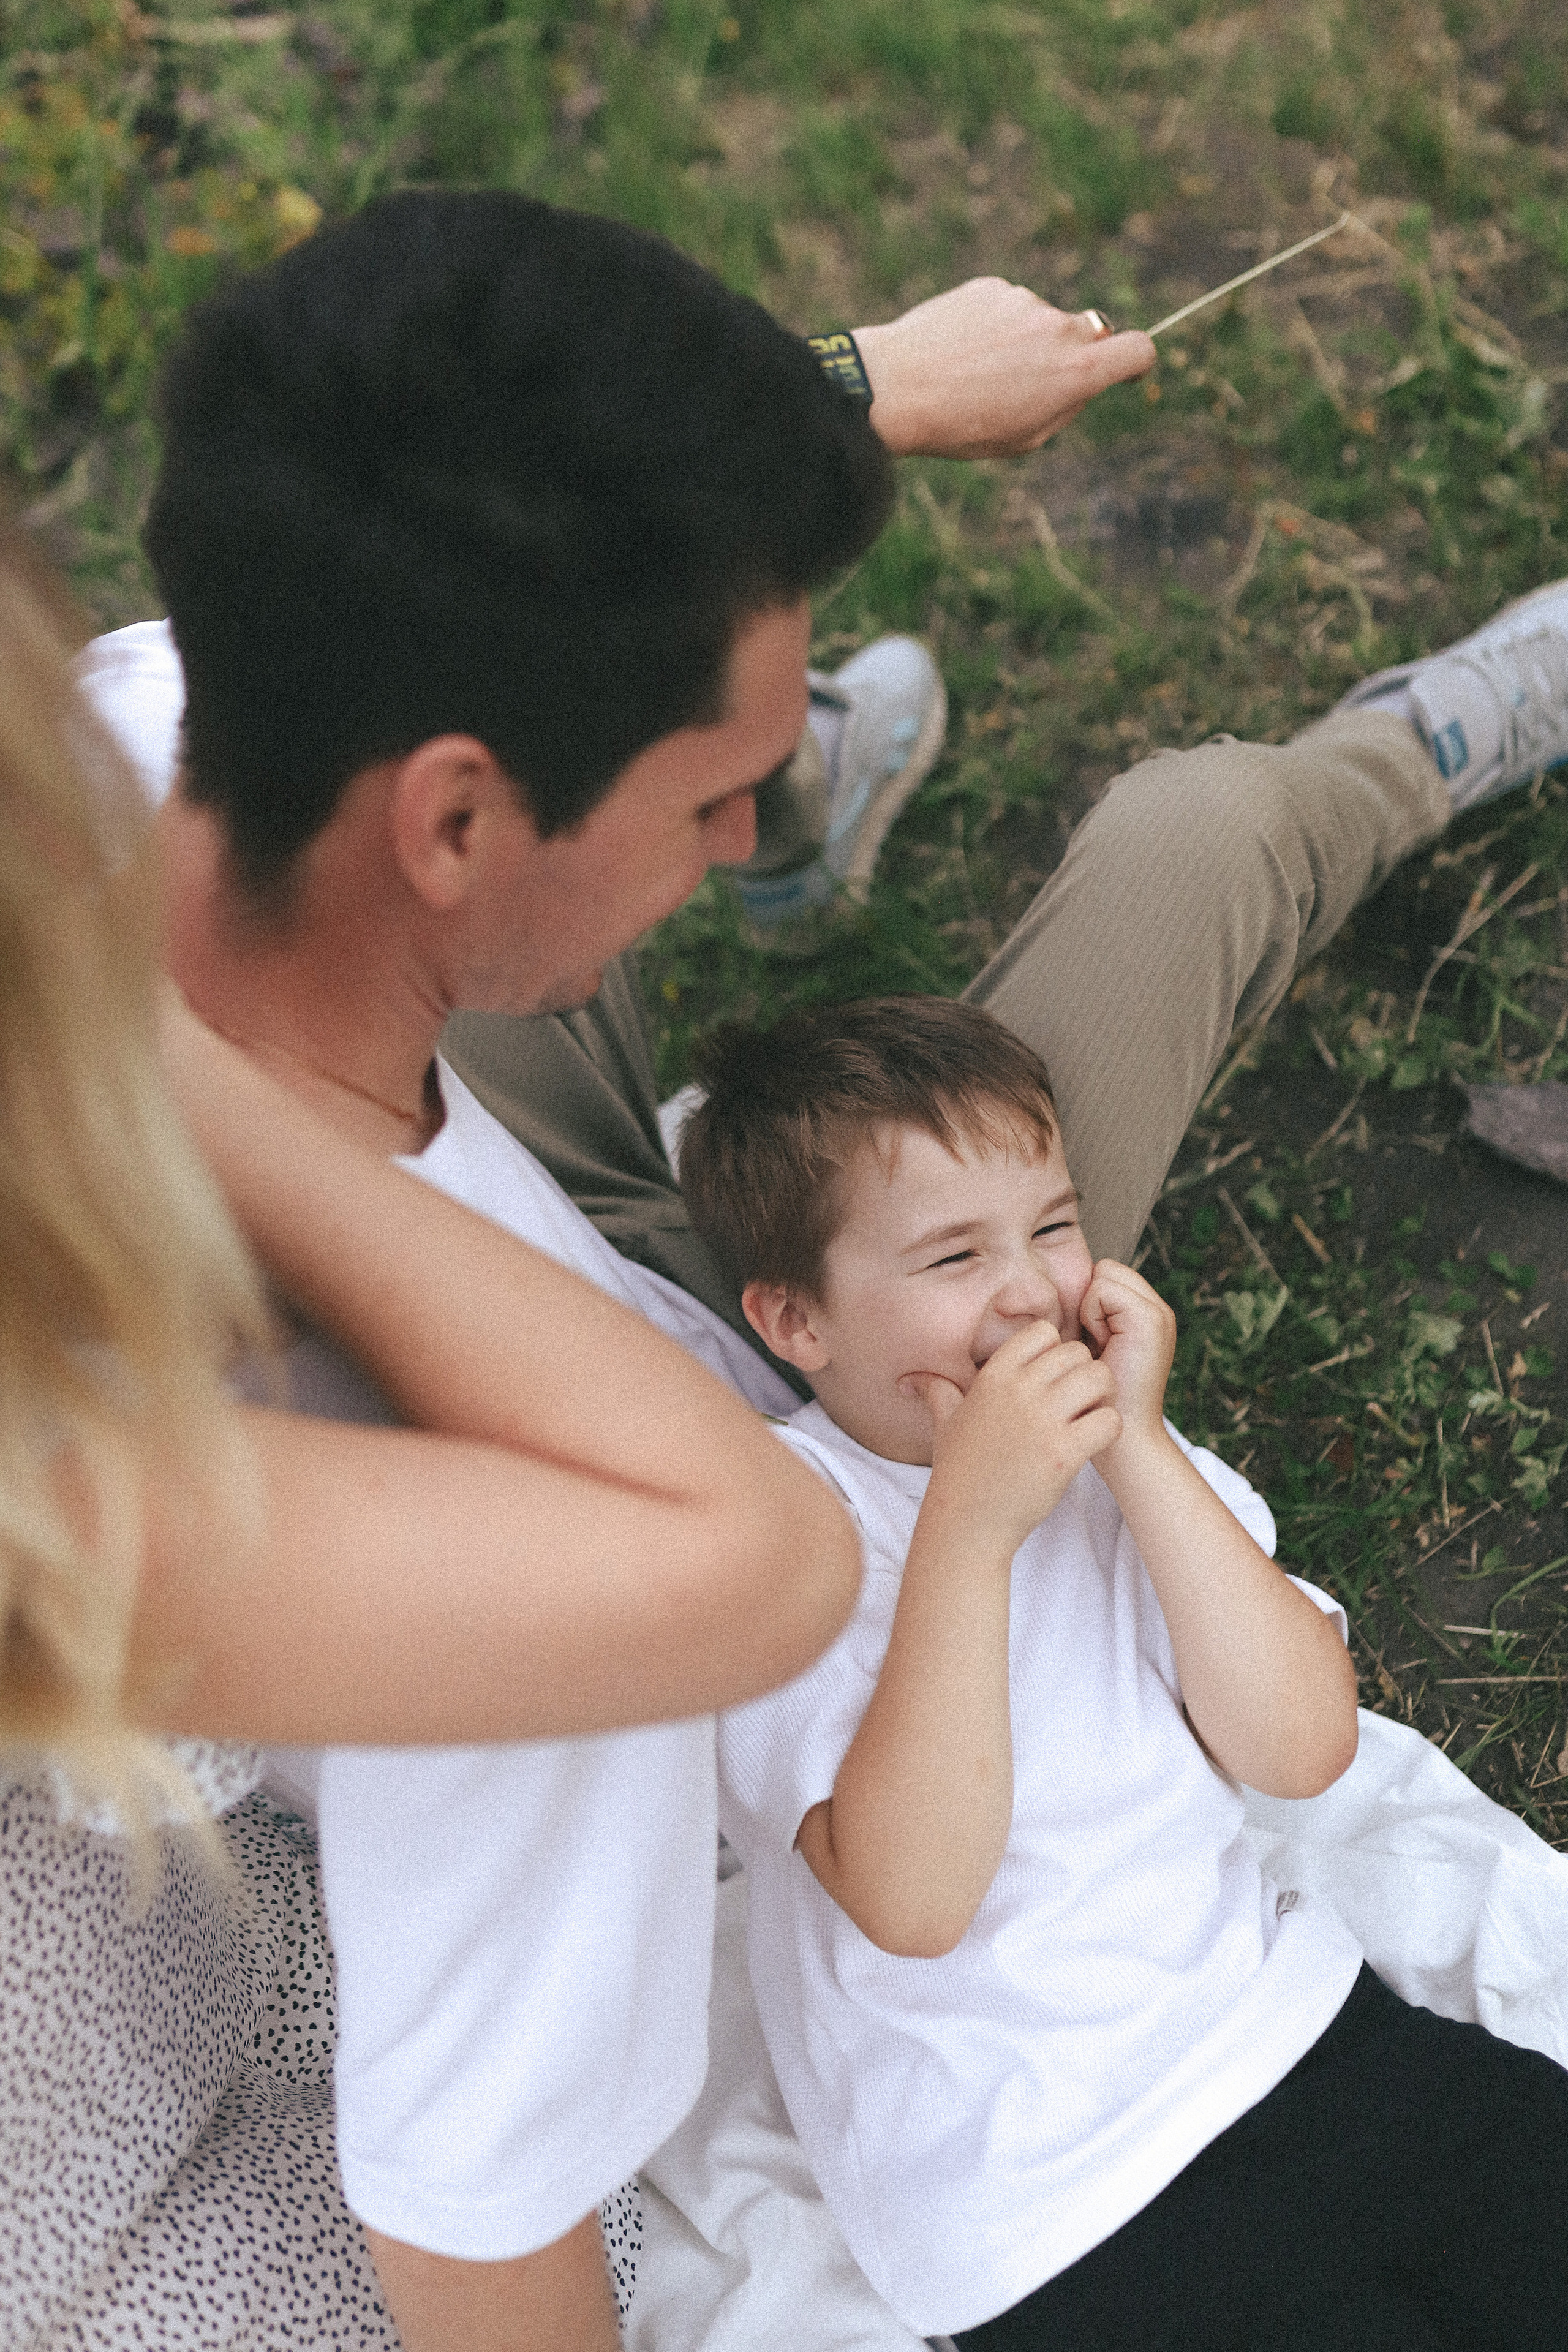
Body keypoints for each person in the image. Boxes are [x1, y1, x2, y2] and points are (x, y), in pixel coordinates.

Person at [80, 175, 1568, 2348]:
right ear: (462, 817)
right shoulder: (525, 1606)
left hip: (590, 1150)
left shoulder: (158, 738)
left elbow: (369, 514)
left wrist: (866, 388)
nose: (728, 847)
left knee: (1205, 829)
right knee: (1177, 850)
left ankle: (1415, 734)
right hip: (836, 1328)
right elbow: (485, 2241)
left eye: (757, 779)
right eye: (720, 802)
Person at [0, 541, 862, 2351]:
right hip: (99, 2188)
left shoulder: (165, 748)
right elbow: (740, 1558)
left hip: (195, 1936)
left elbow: (359, 535)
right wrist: (161, 1074)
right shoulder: (72, 1465)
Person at [681, 993, 1568, 2351]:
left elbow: (1300, 1751)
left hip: (1288, 2043)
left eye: (1049, 1226)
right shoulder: (783, 1537)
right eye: (952, 1257)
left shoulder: (1121, 1459)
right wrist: (966, 1536)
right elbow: (911, 1900)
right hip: (1042, 2205)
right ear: (796, 1321)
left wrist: (1142, 1453)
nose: (1031, 1289)